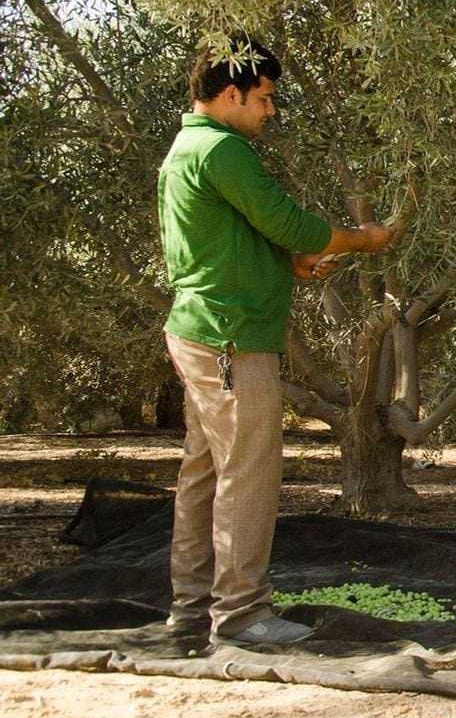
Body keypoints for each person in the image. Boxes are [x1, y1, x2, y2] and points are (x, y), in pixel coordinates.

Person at [159, 35, 396, 645]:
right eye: (264, 99)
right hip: (231, 337)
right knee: (248, 471)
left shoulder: (188, 147)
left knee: (206, 471)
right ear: (231, 93)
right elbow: (286, 221)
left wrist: (286, 264)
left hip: (203, 330)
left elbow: (227, 240)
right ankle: (240, 616)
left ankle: (191, 607)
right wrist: (358, 239)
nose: (270, 111)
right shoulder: (222, 151)